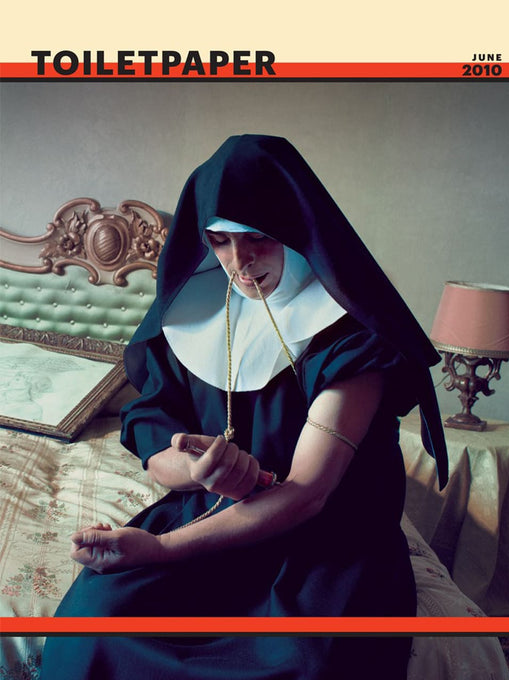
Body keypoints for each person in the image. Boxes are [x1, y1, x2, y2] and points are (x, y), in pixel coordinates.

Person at [40, 134, 448, 680]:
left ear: (297, 229)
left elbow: (308, 494)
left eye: (258, 238)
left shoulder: (353, 337)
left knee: (306, 661)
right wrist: (196, 469)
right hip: (211, 517)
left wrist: (160, 549)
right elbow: (154, 438)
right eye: (220, 240)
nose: (239, 262)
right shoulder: (191, 314)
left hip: (326, 537)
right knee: (94, 623)